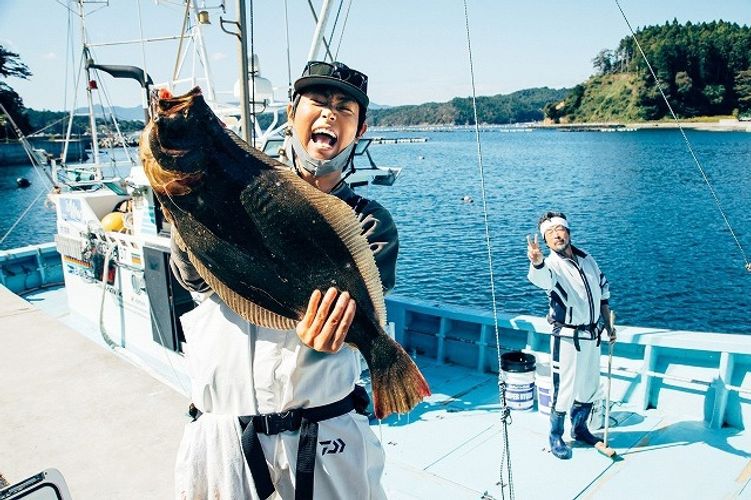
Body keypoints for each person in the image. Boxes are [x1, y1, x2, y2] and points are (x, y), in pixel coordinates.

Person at [170, 61, 397, 499]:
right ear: (292, 114)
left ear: (360, 128)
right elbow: (193, 281)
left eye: (344, 107)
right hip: (221, 432)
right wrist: (184, 206)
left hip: (323, 431)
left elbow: (360, 310)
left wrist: (342, 334)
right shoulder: (233, 188)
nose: (330, 113)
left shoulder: (368, 222)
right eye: (318, 101)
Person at [526, 211, 615, 460]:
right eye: (550, 233)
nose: (556, 236)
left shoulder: (587, 259)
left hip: (592, 335)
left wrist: (607, 323)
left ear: (568, 232)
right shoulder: (551, 265)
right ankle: (556, 435)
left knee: (589, 387)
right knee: (564, 390)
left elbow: (603, 290)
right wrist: (536, 262)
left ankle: (580, 428)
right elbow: (542, 279)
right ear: (545, 240)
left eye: (559, 230)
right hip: (567, 338)